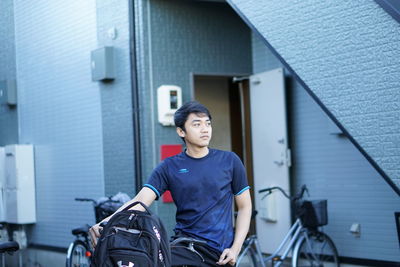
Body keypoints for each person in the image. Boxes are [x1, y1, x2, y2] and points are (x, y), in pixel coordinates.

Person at [90, 101, 252, 266]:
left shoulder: (229, 161)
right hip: (185, 246)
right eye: (197, 124)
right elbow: (140, 201)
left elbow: (245, 206)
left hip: (218, 252)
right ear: (181, 131)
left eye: (207, 123)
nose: (205, 129)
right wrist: (107, 222)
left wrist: (235, 249)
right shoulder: (169, 167)